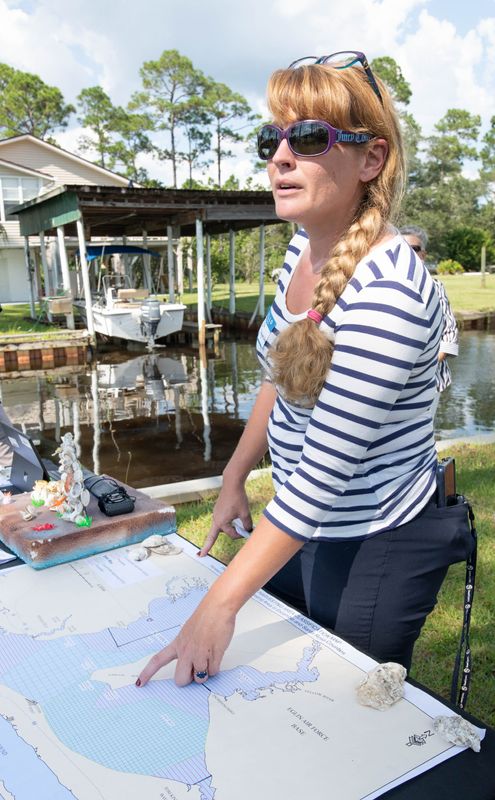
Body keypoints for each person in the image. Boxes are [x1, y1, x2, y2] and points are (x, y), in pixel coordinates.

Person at [137, 51, 454, 690]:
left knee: (347, 711)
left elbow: (322, 476)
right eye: (272, 138)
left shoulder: (389, 291)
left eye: (308, 137)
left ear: (372, 159)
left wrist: (216, 607)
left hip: (377, 534)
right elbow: (277, 384)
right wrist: (233, 478)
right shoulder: (301, 250)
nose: (279, 156)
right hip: (303, 517)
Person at [400, 225, 459, 415]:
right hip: (393, 384)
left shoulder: (435, 287)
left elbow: (448, 339)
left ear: (423, 255)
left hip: (429, 382)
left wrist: (418, 369)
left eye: (414, 249)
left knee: (422, 436)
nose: (407, 253)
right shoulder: (385, 286)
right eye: (402, 247)